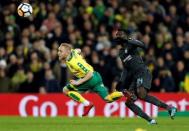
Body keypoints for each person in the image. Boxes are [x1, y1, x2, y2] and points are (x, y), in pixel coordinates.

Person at [114, 29, 177, 124]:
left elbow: (143, 45)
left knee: (141, 94)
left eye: (120, 35)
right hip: (135, 77)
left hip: (143, 72)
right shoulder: (121, 53)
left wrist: (128, 39)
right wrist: (121, 81)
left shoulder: (131, 44)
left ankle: (169, 108)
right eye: (118, 36)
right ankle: (151, 120)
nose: (119, 37)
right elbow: (126, 69)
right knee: (129, 103)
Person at [57, 43, 123, 116]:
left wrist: (78, 82)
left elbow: (89, 73)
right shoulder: (72, 52)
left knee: (66, 90)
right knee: (107, 99)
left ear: (67, 52)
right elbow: (79, 50)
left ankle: (87, 104)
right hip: (96, 76)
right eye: (58, 50)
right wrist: (76, 53)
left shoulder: (74, 62)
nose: (58, 53)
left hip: (89, 79)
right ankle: (124, 93)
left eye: (61, 51)